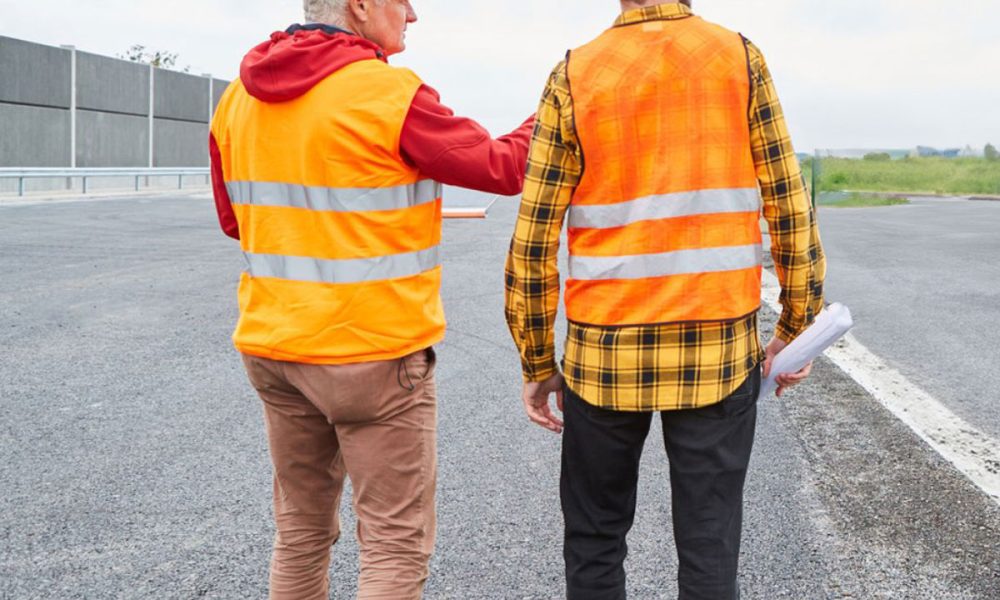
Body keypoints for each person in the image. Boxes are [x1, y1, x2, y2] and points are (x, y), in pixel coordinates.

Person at [209, 1, 533, 598]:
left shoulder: (237, 99)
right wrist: (556, 110)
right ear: (359, 5)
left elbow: (238, 222)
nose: (412, 14)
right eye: (402, 0)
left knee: (300, 531)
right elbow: (505, 166)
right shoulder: (386, 94)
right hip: (373, 357)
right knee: (392, 544)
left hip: (274, 348)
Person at [504, 1, 826, 598]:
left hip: (603, 356)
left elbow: (533, 238)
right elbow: (787, 200)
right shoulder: (739, 58)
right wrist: (797, 323)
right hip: (717, 351)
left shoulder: (574, 73)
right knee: (709, 540)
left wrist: (536, 361)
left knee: (595, 537)